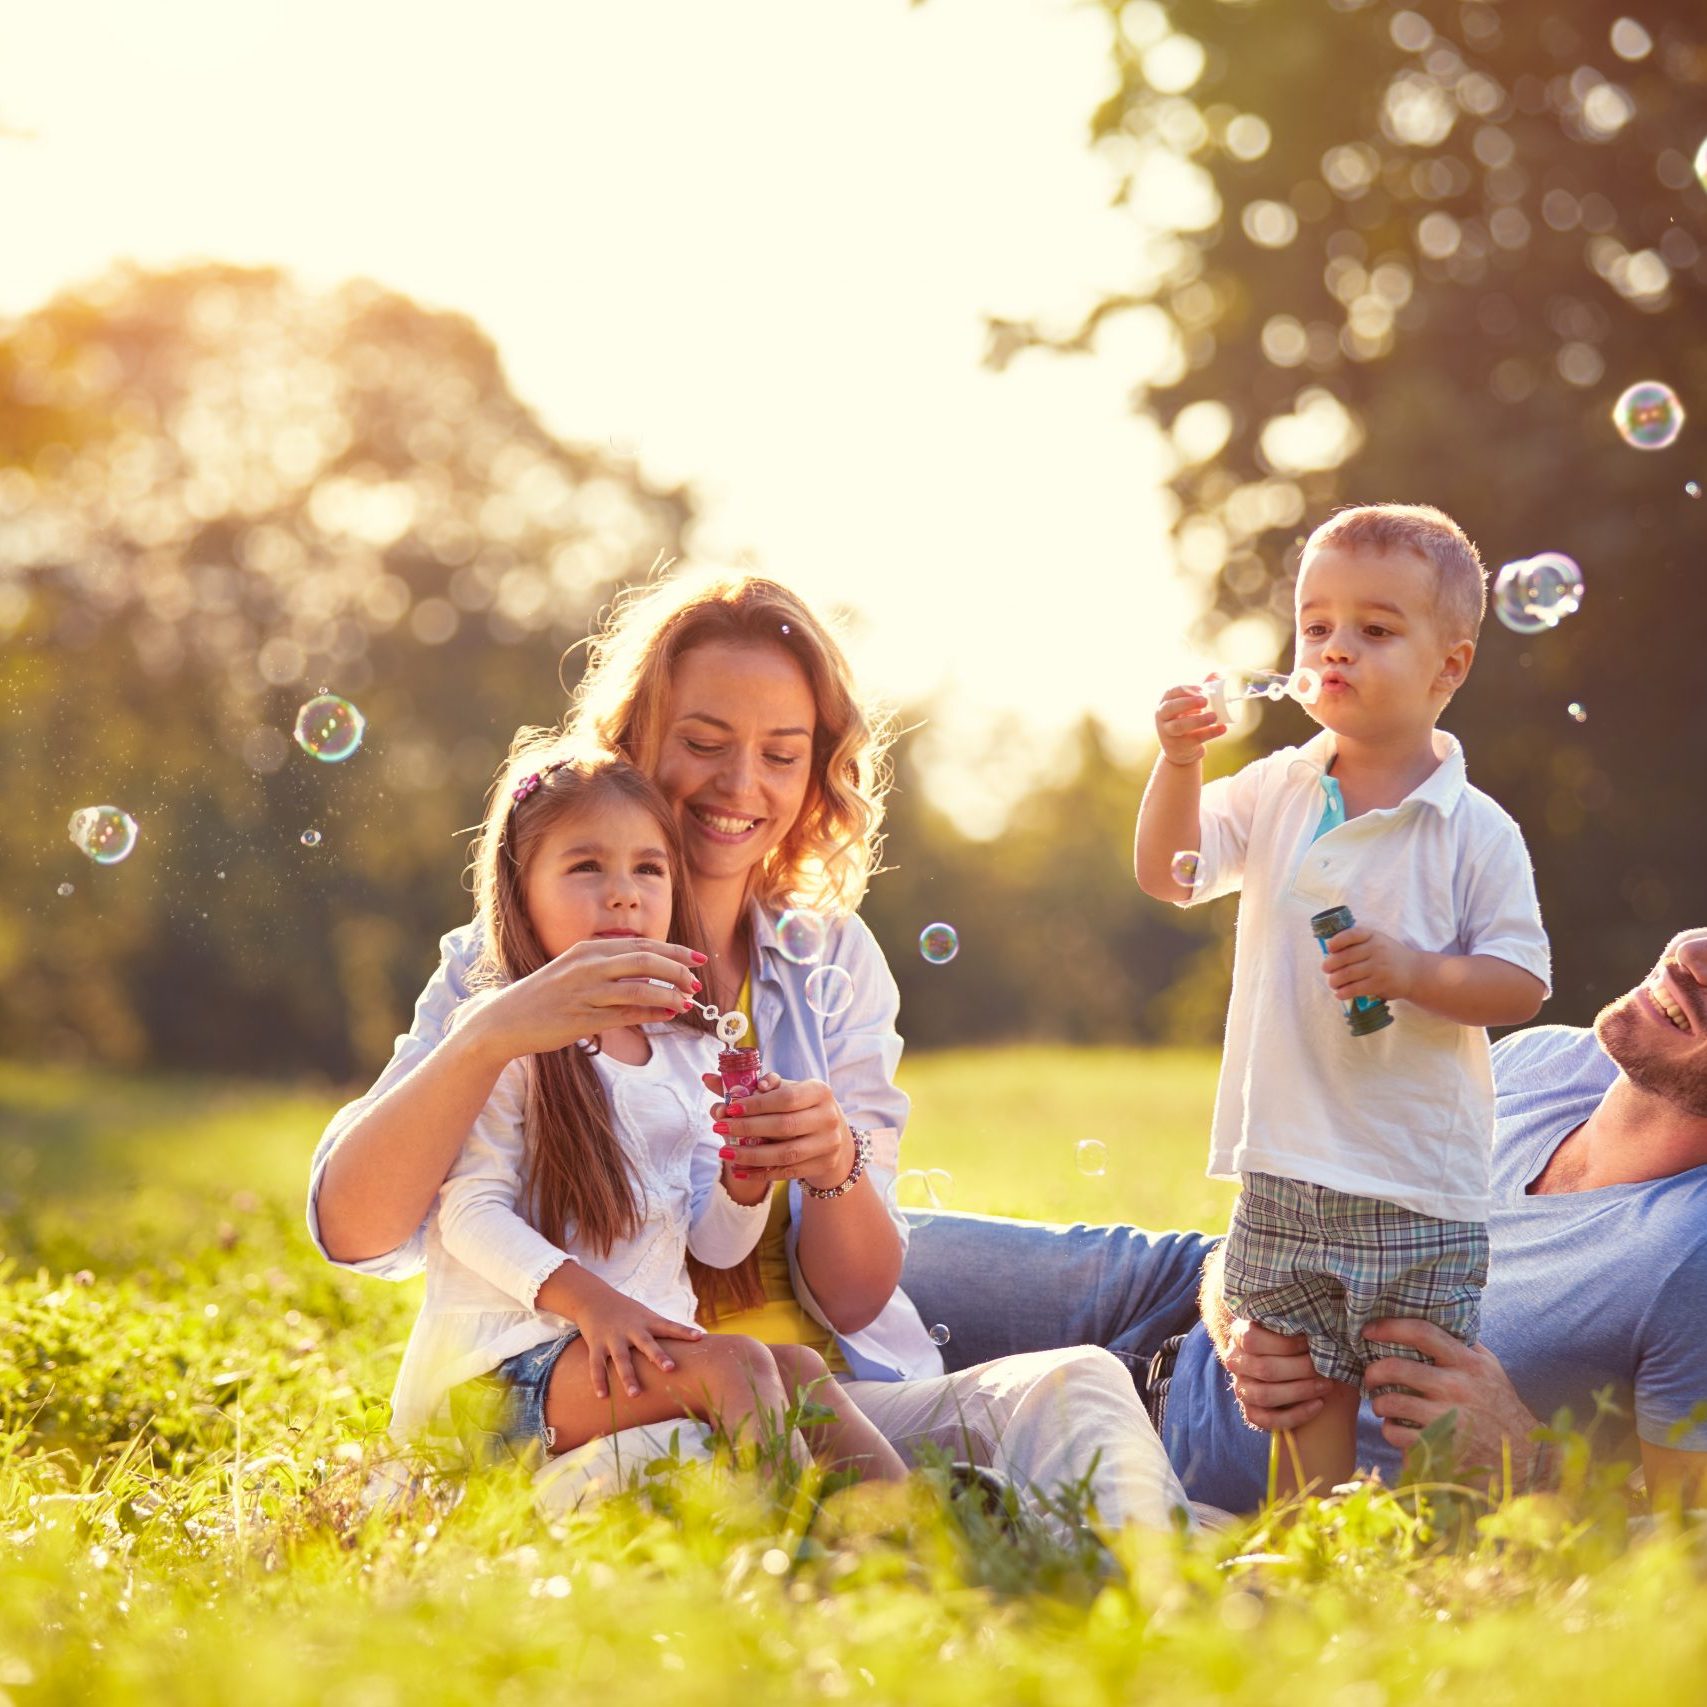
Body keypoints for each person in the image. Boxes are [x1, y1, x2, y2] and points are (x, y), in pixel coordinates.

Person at [308, 569, 1191, 1533]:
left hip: (830, 1398)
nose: (741, 787)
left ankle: (1169, 1604)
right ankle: (916, 1555)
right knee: (730, 1492)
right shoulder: (512, 961)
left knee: (1077, 1383)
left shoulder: (830, 960)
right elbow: (356, 1227)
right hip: (607, 1402)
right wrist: (490, 1031)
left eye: (782, 753)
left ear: (816, 772)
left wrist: (829, 1164)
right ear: (632, 742)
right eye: (702, 743)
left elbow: (849, 1297)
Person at [898, 928, 1707, 1513]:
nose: (1695, 954)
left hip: (1189, 1454)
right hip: (1175, 1287)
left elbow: (1682, 1562)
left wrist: (1524, 1464)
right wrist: (1232, 1291)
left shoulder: (1688, 1258)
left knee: (822, 1429)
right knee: (839, 1252)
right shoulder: (1544, 1059)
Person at [1132, 503, 1551, 1493]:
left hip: (1415, 1176)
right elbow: (1171, 870)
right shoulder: (1279, 788)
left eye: (1374, 629)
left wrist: (1414, 972)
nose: (1335, 649)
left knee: (1419, 1394)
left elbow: (1521, 981)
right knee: (1297, 1382)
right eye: (1316, 627)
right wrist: (1180, 762)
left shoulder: (1472, 831)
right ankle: (1314, 1548)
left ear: (1449, 668)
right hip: (1286, 1157)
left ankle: (1443, 1552)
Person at [390, 741, 906, 1482]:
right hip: (497, 1376)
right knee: (734, 1364)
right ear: (520, 890)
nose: (624, 892)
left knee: (795, 1369)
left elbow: (716, 1246)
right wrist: (596, 1305)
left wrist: (743, 1180)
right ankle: (803, 1549)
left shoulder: (683, 1051)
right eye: (585, 866)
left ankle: (915, 1536)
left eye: (648, 868)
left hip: (624, 1358)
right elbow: (466, 1213)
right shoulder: (505, 1034)